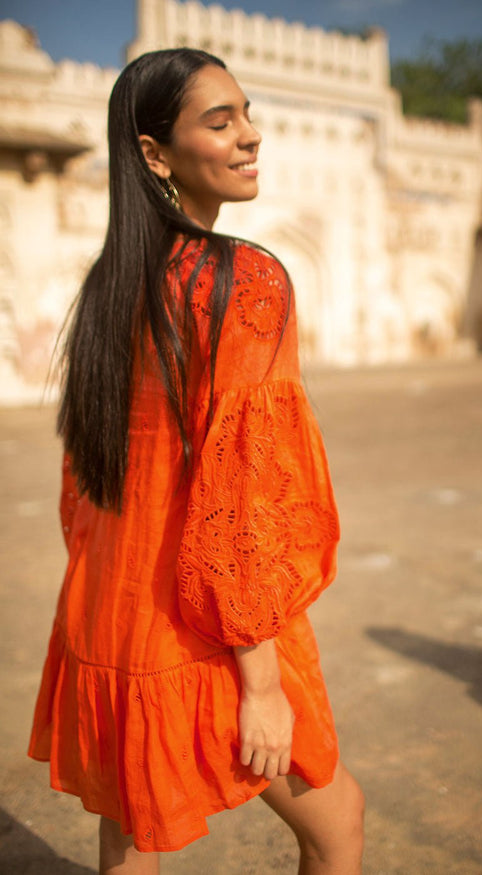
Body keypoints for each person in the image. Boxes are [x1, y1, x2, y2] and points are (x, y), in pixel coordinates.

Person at [27, 48, 364, 874]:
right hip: (208, 630)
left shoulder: (113, 284)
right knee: (337, 820)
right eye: (221, 121)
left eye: (248, 114)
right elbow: (243, 492)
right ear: (154, 153)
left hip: (111, 613)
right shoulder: (242, 280)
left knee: (131, 836)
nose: (251, 137)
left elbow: (84, 488)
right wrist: (260, 682)